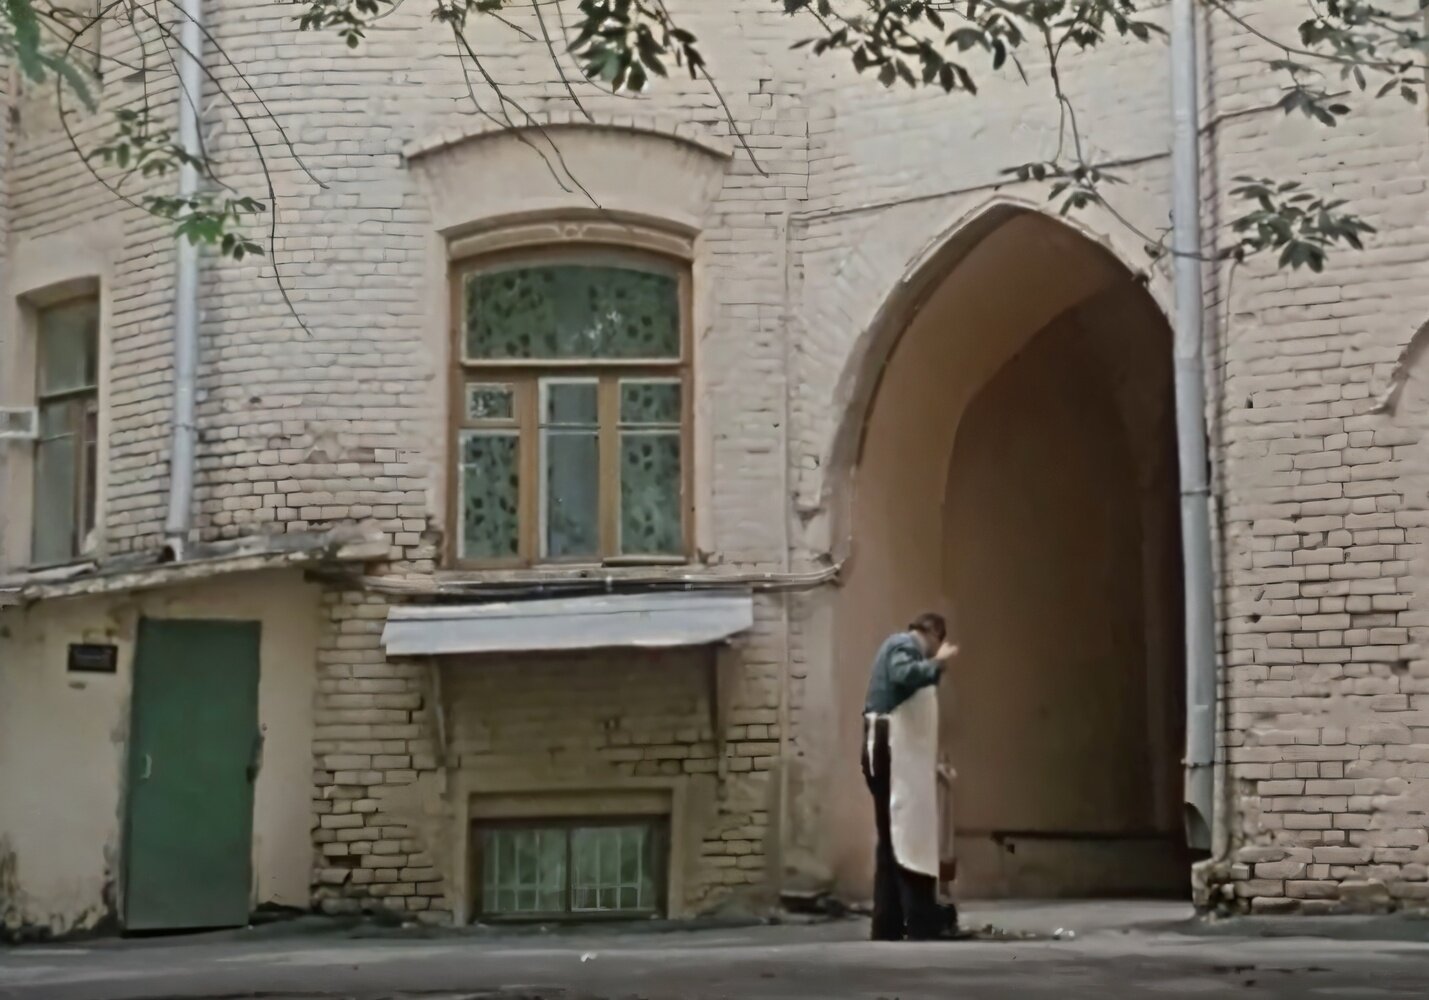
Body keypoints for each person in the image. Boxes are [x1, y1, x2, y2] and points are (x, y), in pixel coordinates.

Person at [862, 611, 960, 941]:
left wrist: (931, 765)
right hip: (887, 750)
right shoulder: (902, 646)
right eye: (938, 644)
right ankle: (917, 918)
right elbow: (904, 675)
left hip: (890, 751)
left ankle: (888, 922)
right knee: (901, 835)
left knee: (892, 839)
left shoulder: (902, 648)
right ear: (933, 634)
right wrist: (938, 664)